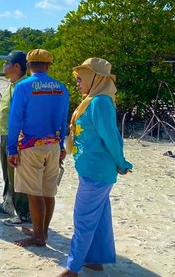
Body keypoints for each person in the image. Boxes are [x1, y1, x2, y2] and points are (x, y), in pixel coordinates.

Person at [59, 58, 133, 277]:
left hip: (97, 172)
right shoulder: (91, 100)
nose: (78, 82)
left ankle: (72, 268)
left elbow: (111, 136)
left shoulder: (100, 102)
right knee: (98, 216)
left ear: (95, 78)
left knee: (82, 218)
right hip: (91, 170)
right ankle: (94, 260)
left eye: (81, 77)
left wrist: (121, 162)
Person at [7, 49, 69, 248]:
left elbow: (15, 120)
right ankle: (42, 231)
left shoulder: (23, 86)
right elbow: (63, 120)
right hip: (52, 145)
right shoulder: (61, 88)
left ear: (27, 65)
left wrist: (11, 148)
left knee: (34, 194)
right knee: (48, 192)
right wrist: (60, 145)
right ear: (48, 65)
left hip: (30, 146)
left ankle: (39, 237)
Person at [0, 51, 31, 225]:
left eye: (7, 62)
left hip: (15, 136)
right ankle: (7, 204)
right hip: (4, 133)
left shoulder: (24, 86)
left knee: (16, 175)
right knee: (7, 173)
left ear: (17, 66)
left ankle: (23, 214)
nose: (3, 65)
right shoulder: (12, 84)